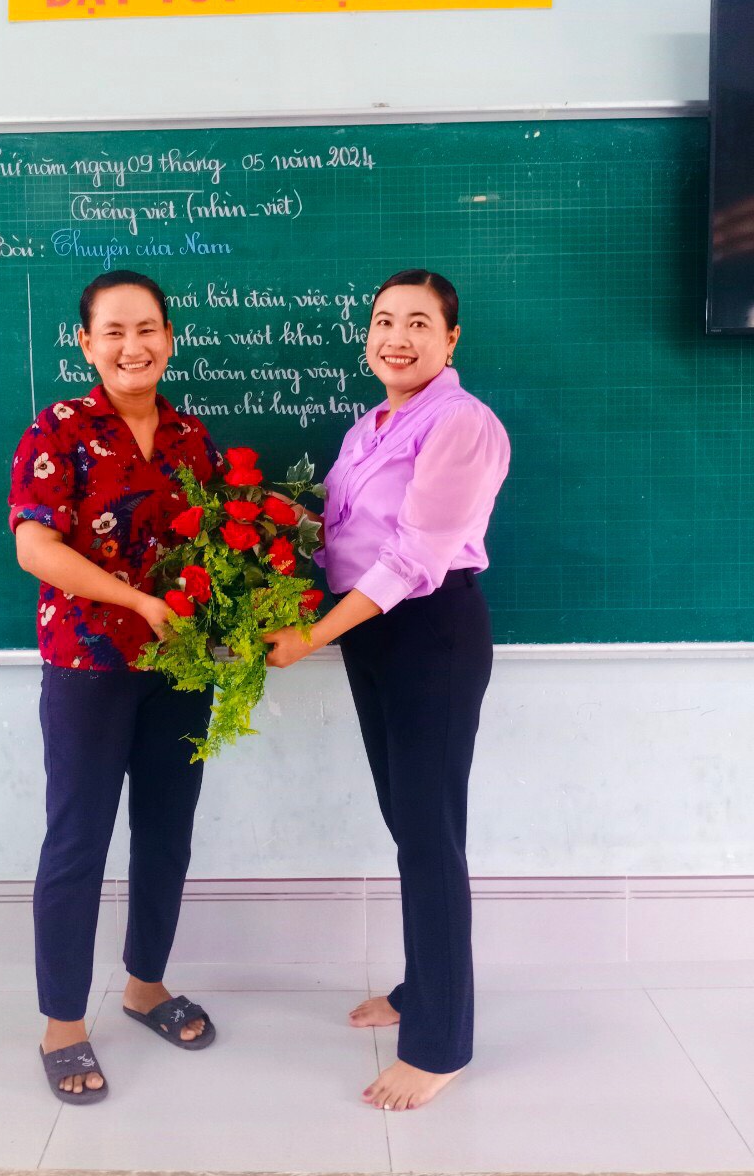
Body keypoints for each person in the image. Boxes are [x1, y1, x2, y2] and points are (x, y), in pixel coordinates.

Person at [264, 268, 510, 1112]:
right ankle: (420, 989)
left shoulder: (462, 423)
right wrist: (259, 528)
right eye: (382, 321)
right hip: (374, 633)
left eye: (417, 323)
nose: (396, 338)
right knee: (411, 827)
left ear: (451, 338)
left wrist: (312, 637)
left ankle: (439, 1046)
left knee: (430, 836)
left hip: (430, 633)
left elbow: (411, 558)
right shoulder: (369, 425)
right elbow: (343, 535)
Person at [9, 270, 222, 1105]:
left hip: (180, 668)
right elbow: (35, 547)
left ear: (169, 337)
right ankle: (62, 1024)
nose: (133, 347)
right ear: (86, 343)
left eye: (148, 330)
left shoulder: (194, 438)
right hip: (87, 666)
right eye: (115, 332)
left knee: (167, 832)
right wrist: (136, 601)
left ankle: (144, 986)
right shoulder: (58, 429)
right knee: (78, 841)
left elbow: (217, 551)